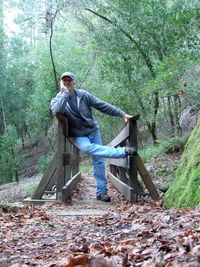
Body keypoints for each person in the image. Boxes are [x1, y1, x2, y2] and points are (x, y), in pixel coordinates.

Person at [51, 72, 137, 202]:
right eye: (64, 81)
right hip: (77, 134)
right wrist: (64, 94)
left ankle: (101, 192)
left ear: (74, 82)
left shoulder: (83, 95)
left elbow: (101, 105)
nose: (67, 83)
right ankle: (121, 152)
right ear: (61, 83)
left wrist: (122, 114)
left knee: (98, 161)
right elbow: (58, 110)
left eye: (69, 80)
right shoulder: (57, 99)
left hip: (92, 130)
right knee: (88, 149)